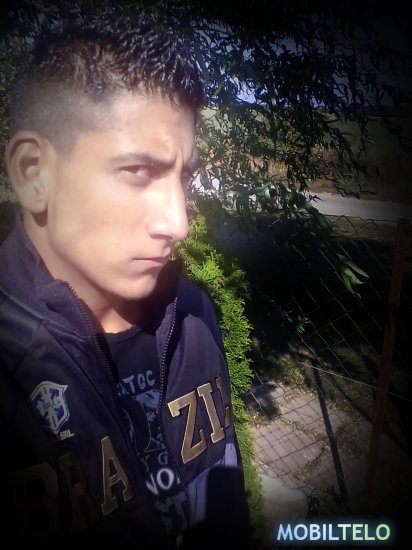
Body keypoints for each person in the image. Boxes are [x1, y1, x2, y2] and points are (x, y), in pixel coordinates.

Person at [0, 15, 251, 549]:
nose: (178, 223)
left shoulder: (193, 313)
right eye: (138, 172)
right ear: (33, 172)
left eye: (184, 176)